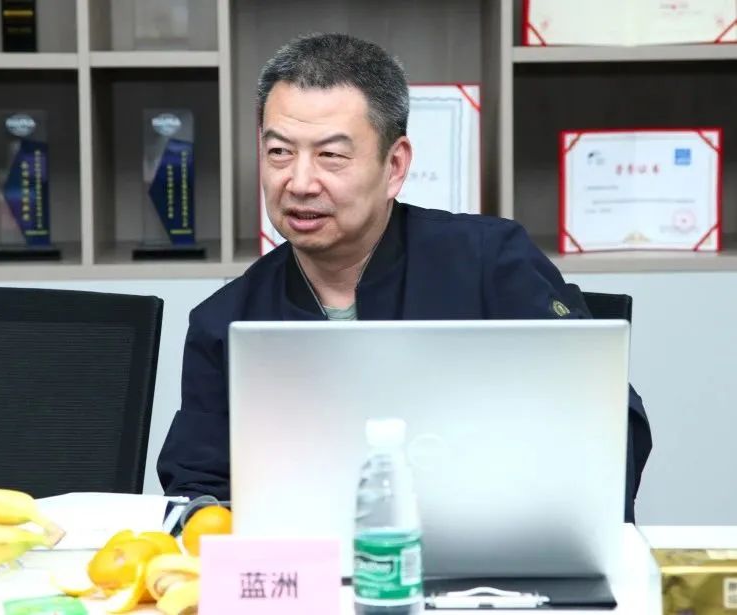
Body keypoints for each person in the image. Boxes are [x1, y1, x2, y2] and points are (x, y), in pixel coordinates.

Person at [157, 33, 652, 522]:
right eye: (280, 152)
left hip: (493, 550)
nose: (300, 183)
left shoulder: (490, 263)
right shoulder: (225, 320)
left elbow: (607, 419)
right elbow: (198, 488)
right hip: (306, 562)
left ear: (394, 166)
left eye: (331, 155)